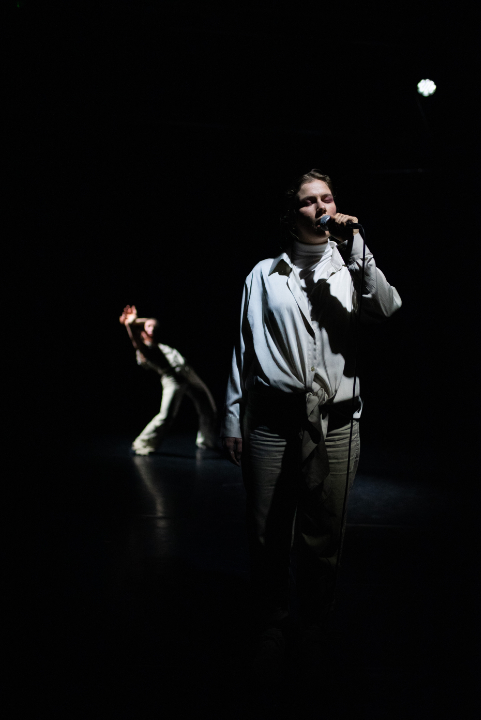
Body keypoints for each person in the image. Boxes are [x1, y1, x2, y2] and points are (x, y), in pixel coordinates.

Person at [221, 169, 402, 673]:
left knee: (324, 533)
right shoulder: (264, 273)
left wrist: (357, 241)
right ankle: (271, 624)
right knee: (268, 531)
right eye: (308, 200)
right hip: (270, 422)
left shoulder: (349, 266)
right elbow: (243, 348)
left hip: (337, 423)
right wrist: (232, 417)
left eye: (328, 197)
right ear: (291, 213)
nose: (321, 207)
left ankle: (313, 624)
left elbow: (387, 307)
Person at [119, 305, 218, 454]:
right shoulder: (145, 349)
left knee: (208, 407)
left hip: (188, 374)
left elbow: (153, 321)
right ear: (143, 331)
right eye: (148, 327)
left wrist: (137, 320)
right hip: (173, 379)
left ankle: (207, 441)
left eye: (154, 327)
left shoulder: (160, 343)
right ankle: (141, 444)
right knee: (166, 415)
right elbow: (136, 340)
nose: (152, 329)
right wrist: (130, 323)